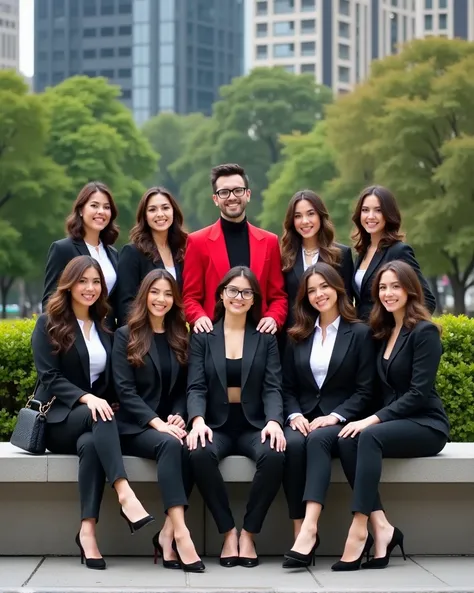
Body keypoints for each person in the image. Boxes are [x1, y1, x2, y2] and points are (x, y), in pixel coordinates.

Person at [31, 256, 154, 571]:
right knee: (97, 416)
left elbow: (111, 378)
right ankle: (125, 492)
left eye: (96, 282)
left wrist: (108, 400)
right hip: (59, 420)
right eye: (83, 281)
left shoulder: (105, 326)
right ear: (69, 284)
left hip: (93, 423)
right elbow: (50, 377)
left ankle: (87, 531)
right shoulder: (49, 323)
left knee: (90, 445)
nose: (90, 288)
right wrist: (88, 399)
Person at [333, 260, 449, 572]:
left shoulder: (425, 333)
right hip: (395, 422)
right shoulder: (383, 332)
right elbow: (373, 390)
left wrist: (372, 420)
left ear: (411, 290)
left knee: (367, 434)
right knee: (347, 440)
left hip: (426, 424)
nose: (388, 293)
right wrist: (340, 417)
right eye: (383, 287)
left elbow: (417, 393)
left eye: (395, 286)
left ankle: (359, 529)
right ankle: (382, 527)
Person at [187, 266, 286, 568]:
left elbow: (272, 385)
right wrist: (197, 420)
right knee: (198, 451)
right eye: (232, 290)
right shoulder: (204, 336)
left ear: (254, 299)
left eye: (246, 292)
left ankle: (250, 533)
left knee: (275, 452)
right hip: (216, 423)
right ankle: (228, 531)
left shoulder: (265, 338)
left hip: (253, 423)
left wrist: (274, 421)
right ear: (221, 294)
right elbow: (196, 385)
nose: (238, 297)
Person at [281, 263, 374, 568]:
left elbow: (365, 390)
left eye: (324, 287)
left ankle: (310, 529)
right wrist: (294, 414)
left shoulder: (359, 332)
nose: (319, 294)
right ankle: (299, 529)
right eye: (311, 290)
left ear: (337, 288)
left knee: (319, 438)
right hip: (304, 417)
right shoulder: (298, 333)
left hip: (341, 420)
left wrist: (336, 416)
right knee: (292, 445)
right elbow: (287, 385)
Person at [112, 269, 204, 573]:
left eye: (167, 294)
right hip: (134, 426)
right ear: (144, 295)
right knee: (170, 445)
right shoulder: (126, 334)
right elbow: (125, 392)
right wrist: (157, 423)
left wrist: (178, 414)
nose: (161, 299)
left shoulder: (180, 334)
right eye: (155, 292)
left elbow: (183, 388)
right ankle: (181, 533)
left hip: (168, 425)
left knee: (192, 447)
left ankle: (165, 533)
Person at [182, 163, 287, 335]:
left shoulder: (270, 241)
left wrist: (273, 317)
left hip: (259, 338)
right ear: (215, 199)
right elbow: (190, 297)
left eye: (237, 190)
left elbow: (279, 296)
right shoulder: (197, 241)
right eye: (224, 192)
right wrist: (198, 317)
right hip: (213, 338)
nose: (232, 197)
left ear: (248, 194)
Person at [351, 185, 436, 321]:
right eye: (365, 210)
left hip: (386, 336)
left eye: (378, 210)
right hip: (363, 337)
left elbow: (427, 300)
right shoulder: (361, 253)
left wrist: (400, 333)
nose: (370, 216)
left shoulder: (399, 251)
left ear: (388, 214)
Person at [42, 182, 119, 328]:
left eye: (106, 207)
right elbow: (49, 299)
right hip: (73, 334)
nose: (101, 211)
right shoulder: (62, 249)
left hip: (106, 335)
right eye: (94, 205)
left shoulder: (113, 254)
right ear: (81, 210)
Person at [281, 190, 354, 330]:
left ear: (320, 216)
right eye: (297, 216)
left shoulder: (341, 254)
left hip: (332, 334)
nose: (305, 221)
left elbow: (347, 300)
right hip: (295, 336)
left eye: (310, 213)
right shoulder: (285, 258)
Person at [116, 187, 187, 326]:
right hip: (142, 336)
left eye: (165, 208)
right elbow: (124, 304)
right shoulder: (132, 252)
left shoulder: (182, 251)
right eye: (152, 210)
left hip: (175, 335)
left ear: (173, 212)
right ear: (144, 216)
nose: (160, 214)